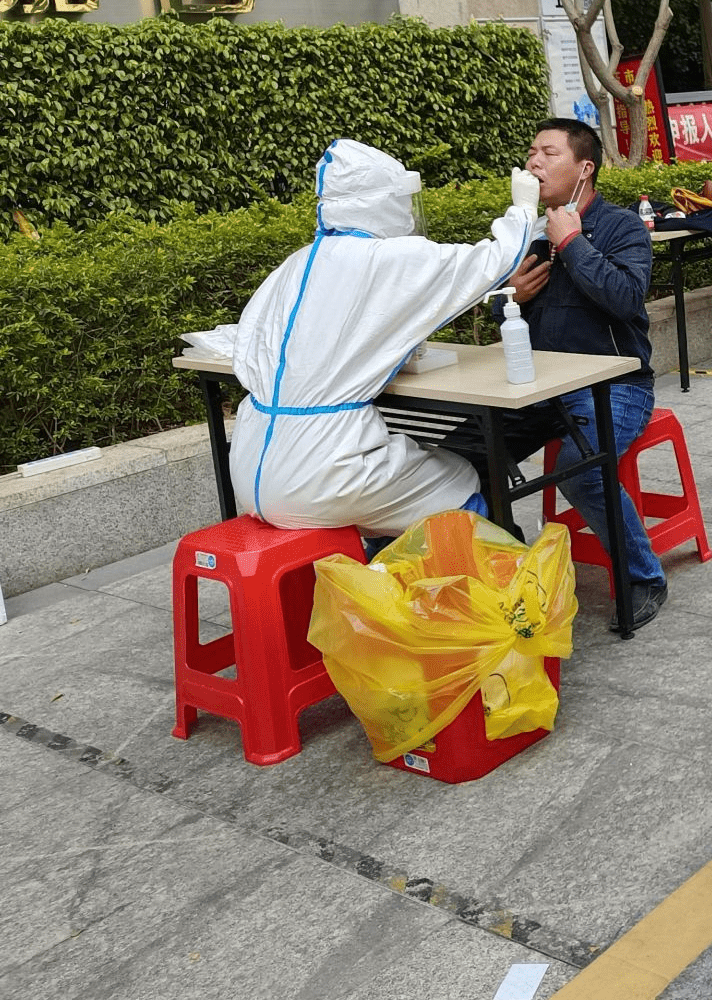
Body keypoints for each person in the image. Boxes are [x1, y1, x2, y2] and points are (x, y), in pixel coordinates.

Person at [229, 139, 535, 534]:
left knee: (394, 482)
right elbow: (494, 261)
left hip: (250, 463)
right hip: (324, 471)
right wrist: (524, 210)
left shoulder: (295, 264)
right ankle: (468, 588)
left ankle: (374, 575)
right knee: (459, 478)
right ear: (384, 202)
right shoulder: (387, 257)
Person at [444, 119, 668, 626]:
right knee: (461, 456)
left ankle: (642, 577)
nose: (533, 163)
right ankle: (510, 565)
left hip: (613, 385)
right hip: (537, 387)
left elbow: (626, 298)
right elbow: (508, 320)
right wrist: (510, 299)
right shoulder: (528, 231)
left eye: (548, 153)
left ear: (584, 168)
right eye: (531, 152)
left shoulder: (620, 227)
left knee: (583, 465)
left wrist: (572, 243)